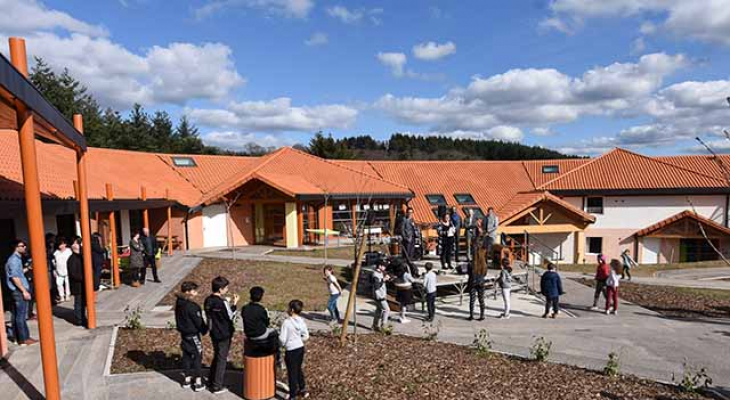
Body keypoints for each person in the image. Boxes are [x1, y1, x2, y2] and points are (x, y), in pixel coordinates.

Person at [204, 276, 239, 394]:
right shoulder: (223, 302)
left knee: (217, 356)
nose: (227, 289)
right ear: (220, 289)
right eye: (226, 287)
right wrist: (234, 304)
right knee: (222, 359)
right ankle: (217, 386)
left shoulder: (208, 300)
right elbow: (231, 316)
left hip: (214, 332)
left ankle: (211, 381)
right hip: (224, 334)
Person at [175, 281, 208, 392]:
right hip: (193, 335)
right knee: (197, 357)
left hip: (184, 335)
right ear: (188, 292)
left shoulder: (179, 303)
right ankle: (198, 382)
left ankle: (187, 379)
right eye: (194, 291)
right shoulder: (193, 307)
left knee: (187, 356)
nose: (196, 293)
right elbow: (199, 322)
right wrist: (205, 329)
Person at [5, 240, 37, 346]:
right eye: (22, 246)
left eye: (25, 245)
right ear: (16, 247)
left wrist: (27, 268)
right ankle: (24, 338)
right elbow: (14, 277)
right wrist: (24, 291)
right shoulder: (14, 260)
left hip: (16, 290)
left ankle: (17, 337)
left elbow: (17, 273)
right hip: (18, 291)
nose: (24, 247)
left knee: (16, 315)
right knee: (21, 316)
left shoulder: (15, 259)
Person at [279, 299, 310, 400]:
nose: (287, 309)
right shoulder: (301, 321)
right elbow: (306, 336)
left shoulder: (286, 323)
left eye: (288, 307)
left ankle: (292, 395)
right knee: (298, 368)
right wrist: (298, 340)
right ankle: (303, 389)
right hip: (300, 348)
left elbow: (282, 339)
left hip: (291, 350)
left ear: (292, 310)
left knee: (292, 373)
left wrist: (284, 344)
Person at [241, 286, 279, 361]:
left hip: (248, 334)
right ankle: (276, 358)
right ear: (261, 297)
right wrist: (267, 315)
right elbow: (267, 324)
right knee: (275, 332)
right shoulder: (261, 309)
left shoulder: (245, 308)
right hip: (260, 334)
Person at [67, 238, 87, 327]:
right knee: (79, 302)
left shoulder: (81, 257)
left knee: (83, 302)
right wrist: (83, 278)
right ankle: (79, 319)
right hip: (77, 285)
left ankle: (82, 317)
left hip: (82, 284)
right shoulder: (72, 259)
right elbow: (73, 274)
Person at [468, 244, 488, 321]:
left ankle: (471, 315)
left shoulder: (471, 264)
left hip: (472, 282)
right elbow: (485, 274)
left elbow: (468, 273)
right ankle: (482, 315)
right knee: (481, 299)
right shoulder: (484, 265)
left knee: (472, 300)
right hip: (481, 282)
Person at [371, 262, 391, 332]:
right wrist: (384, 280)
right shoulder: (375, 275)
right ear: (379, 266)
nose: (385, 268)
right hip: (379, 295)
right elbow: (377, 286)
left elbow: (382, 282)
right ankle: (383, 326)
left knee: (378, 310)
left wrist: (387, 279)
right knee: (387, 310)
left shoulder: (381, 273)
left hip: (381, 294)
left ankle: (375, 325)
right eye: (384, 266)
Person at [53, 237, 72, 302]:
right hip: (59, 270)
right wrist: (54, 270)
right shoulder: (56, 252)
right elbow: (54, 262)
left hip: (67, 269)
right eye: (60, 244)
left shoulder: (69, 251)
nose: (61, 246)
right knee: (59, 284)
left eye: (63, 244)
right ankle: (61, 296)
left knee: (67, 283)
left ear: (65, 244)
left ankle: (67, 295)